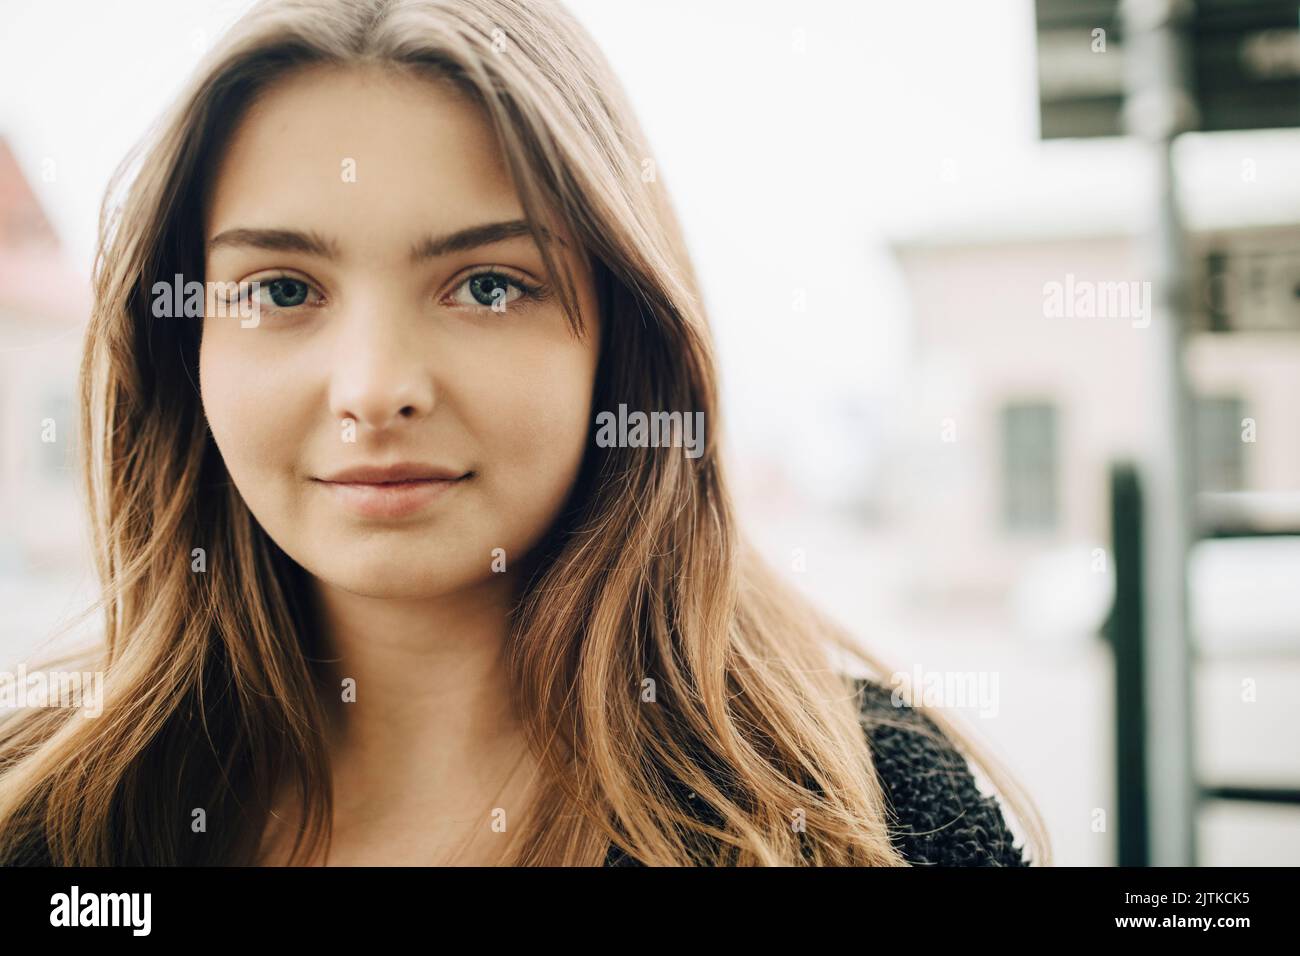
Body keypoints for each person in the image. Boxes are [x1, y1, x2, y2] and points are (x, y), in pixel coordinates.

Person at [0, 0, 1048, 867]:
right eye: (281, 288)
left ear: (624, 342)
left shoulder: (862, 811)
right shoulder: (48, 821)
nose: (374, 388)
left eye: (488, 285)